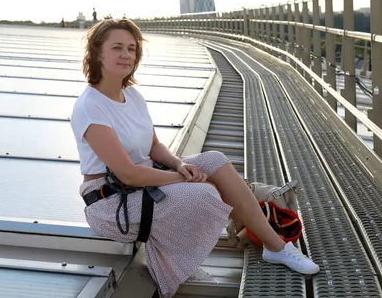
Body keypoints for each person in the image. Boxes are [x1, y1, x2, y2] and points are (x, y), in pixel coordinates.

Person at [70, 19, 319, 298]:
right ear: (97, 53)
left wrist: (180, 164)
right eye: (117, 47)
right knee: (202, 193)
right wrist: (181, 178)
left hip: (144, 181)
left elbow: (153, 145)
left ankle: (276, 247)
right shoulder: (90, 107)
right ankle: (179, 263)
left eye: (131, 48)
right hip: (112, 200)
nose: (126, 55)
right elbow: (128, 174)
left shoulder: (132, 95)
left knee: (215, 161)